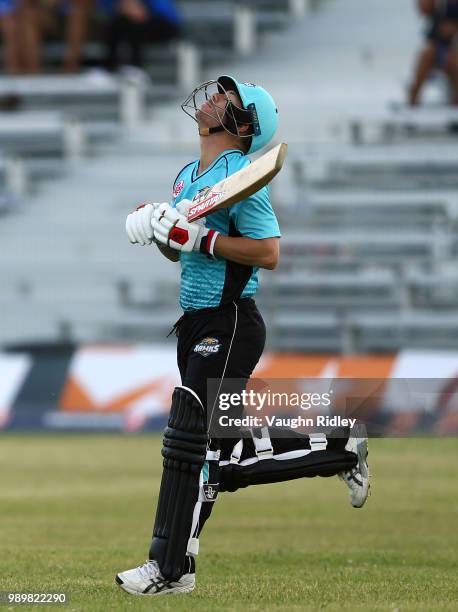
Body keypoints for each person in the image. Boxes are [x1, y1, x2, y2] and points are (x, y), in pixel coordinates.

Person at [117, 75, 371, 597]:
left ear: (242, 123)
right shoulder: (190, 175)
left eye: (225, 98)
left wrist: (204, 239)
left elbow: (269, 252)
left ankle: (167, 568)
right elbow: (181, 247)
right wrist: (158, 230)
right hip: (195, 322)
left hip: (230, 320)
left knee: (189, 438)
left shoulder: (243, 174)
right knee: (218, 460)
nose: (210, 97)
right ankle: (341, 445)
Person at [100, 0, 181, 70]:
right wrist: (120, 8)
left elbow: (162, 11)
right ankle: (110, 68)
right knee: (115, 25)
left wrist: (140, 11)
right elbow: (105, 6)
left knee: (135, 27)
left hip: (163, 24)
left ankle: (136, 68)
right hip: (129, 21)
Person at [409, 0, 458, 105]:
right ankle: (412, 101)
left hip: (452, 49)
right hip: (437, 46)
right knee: (426, 55)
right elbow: (423, 9)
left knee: (453, 60)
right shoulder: (440, 6)